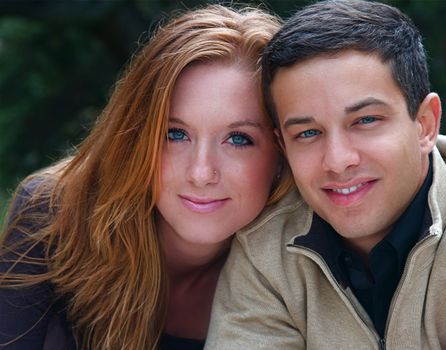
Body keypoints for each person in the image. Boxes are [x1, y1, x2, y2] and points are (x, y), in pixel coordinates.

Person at [205, 0, 446, 349]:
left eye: (365, 121)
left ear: (425, 124)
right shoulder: (265, 252)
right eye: (308, 133)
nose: (338, 161)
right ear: (284, 146)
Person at [0, 4, 293, 350]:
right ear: (137, 135)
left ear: (280, 154)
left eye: (239, 139)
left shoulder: (302, 263)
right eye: (175, 134)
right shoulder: (55, 214)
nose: (201, 173)